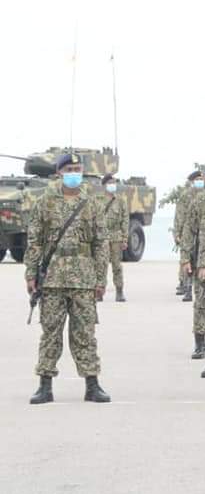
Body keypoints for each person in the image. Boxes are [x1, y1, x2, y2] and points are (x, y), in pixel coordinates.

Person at [26, 152, 111, 404]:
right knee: (50, 332)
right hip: (52, 278)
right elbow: (34, 241)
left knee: (85, 333)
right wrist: (31, 273)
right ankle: (44, 385)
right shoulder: (45, 202)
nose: (74, 173)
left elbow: (101, 243)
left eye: (77, 168)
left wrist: (100, 279)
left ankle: (92, 384)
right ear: (59, 173)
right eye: (69, 169)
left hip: (84, 278)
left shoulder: (92, 203)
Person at [180, 164, 205, 359]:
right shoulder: (198, 201)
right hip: (201, 260)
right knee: (201, 304)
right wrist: (185, 258)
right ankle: (200, 343)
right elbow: (189, 230)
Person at [97, 173, 129, 302]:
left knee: (117, 265)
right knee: (101, 265)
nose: (112, 185)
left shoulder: (121, 201)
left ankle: (119, 291)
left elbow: (125, 220)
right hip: (102, 237)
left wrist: (125, 238)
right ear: (104, 185)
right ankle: (99, 291)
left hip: (116, 237)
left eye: (114, 182)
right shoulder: (97, 200)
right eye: (110, 183)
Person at [174, 170, 203, 296]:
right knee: (186, 258)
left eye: (201, 180)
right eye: (197, 180)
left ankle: (194, 284)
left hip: (202, 231)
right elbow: (179, 215)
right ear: (192, 182)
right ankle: (184, 283)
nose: (200, 182)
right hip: (188, 230)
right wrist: (177, 233)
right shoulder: (186, 196)